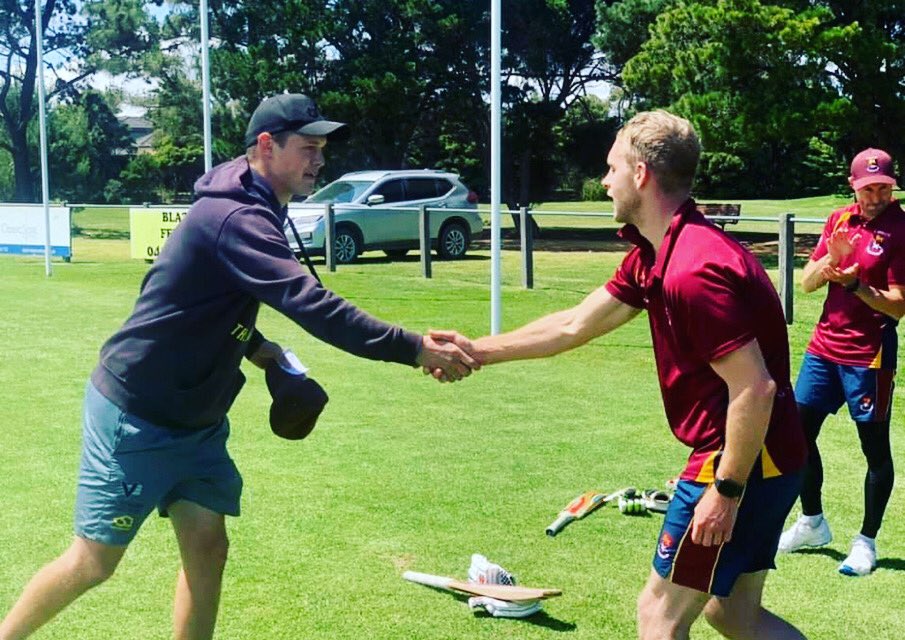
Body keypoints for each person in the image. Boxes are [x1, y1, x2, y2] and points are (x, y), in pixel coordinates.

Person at [0, 93, 478, 640]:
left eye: (322, 148)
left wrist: (255, 345)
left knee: (208, 548)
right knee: (95, 561)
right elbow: (311, 304)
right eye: (308, 147)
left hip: (198, 417)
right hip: (139, 412)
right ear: (267, 146)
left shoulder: (255, 198)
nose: (319, 160)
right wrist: (414, 347)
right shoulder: (234, 215)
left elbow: (200, 299)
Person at [430, 111, 808, 639]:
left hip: (741, 460)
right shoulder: (659, 251)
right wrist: (478, 350)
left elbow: (754, 387)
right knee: (733, 613)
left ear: (641, 174)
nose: (604, 181)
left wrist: (725, 490)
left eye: (611, 169)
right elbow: (573, 325)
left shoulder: (694, 269)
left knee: (658, 615)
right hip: (771, 456)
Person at [778, 148, 904, 577]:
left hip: (869, 356)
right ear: (854, 186)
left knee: (874, 450)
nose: (876, 195)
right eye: (868, 188)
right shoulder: (839, 221)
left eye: (883, 187)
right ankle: (812, 522)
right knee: (796, 434)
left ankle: (865, 543)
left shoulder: (901, 229)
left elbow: (898, 307)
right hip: (823, 349)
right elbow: (809, 283)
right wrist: (833, 258)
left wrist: (855, 285)